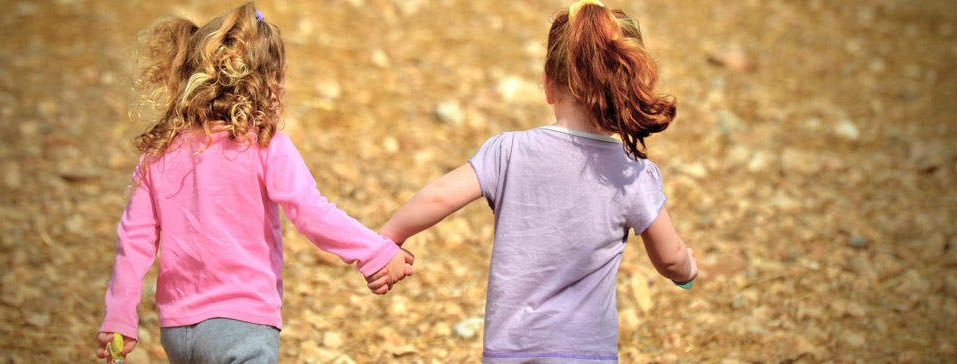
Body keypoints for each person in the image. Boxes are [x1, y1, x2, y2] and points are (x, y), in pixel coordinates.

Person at [366, 0, 698, 362]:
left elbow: (439, 196)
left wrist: (386, 241)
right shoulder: (632, 174)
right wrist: (688, 270)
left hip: (509, 351)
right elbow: (670, 259)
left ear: (547, 83)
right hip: (584, 353)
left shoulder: (508, 151)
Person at [95, 3, 412, 363]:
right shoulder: (266, 145)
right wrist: (376, 253)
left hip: (178, 330)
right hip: (241, 323)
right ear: (267, 82)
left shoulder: (160, 151)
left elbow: (133, 241)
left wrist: (119, 317)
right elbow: (310, 212)